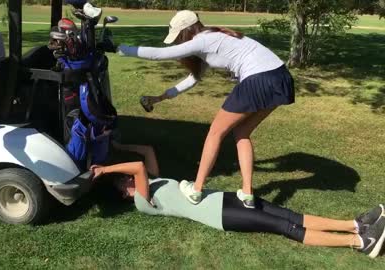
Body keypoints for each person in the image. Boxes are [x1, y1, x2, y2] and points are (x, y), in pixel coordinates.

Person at [117, 10, 295, 207]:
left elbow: (159, 54)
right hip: (280, 77)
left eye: (178, 37)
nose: (178, 43)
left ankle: (196, 189)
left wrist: (119, 48)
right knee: (242, 133)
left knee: (215, 133)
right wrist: (161, 97)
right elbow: (192, 80)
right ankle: (247, 193)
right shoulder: (212, 39)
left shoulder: (203, 40)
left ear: (186, 31)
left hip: (258, 78)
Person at [91, 161, 385, 259]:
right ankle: (360, 243)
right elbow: (138, 166)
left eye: (125, 176)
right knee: (283, 227)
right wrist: (106, 170)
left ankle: (354, 224)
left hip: (222, 198)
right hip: (219, 216)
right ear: (124, 192)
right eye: (125, 180)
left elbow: (145, 155)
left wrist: (118, 144)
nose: (129, 177)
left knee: (286, 214)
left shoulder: (154, 182)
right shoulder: (143, 201)